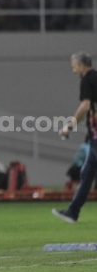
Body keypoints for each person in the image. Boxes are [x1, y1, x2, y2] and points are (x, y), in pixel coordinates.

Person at [54, 52, 97, 224]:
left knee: (87, 174)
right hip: (94, 137)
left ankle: (73, 211)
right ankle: (72, 212)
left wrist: (69, 126)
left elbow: (85, 106)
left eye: (74, 66)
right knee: (86, 174)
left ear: (82, 65)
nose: (73, 70)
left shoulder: (87, 79)